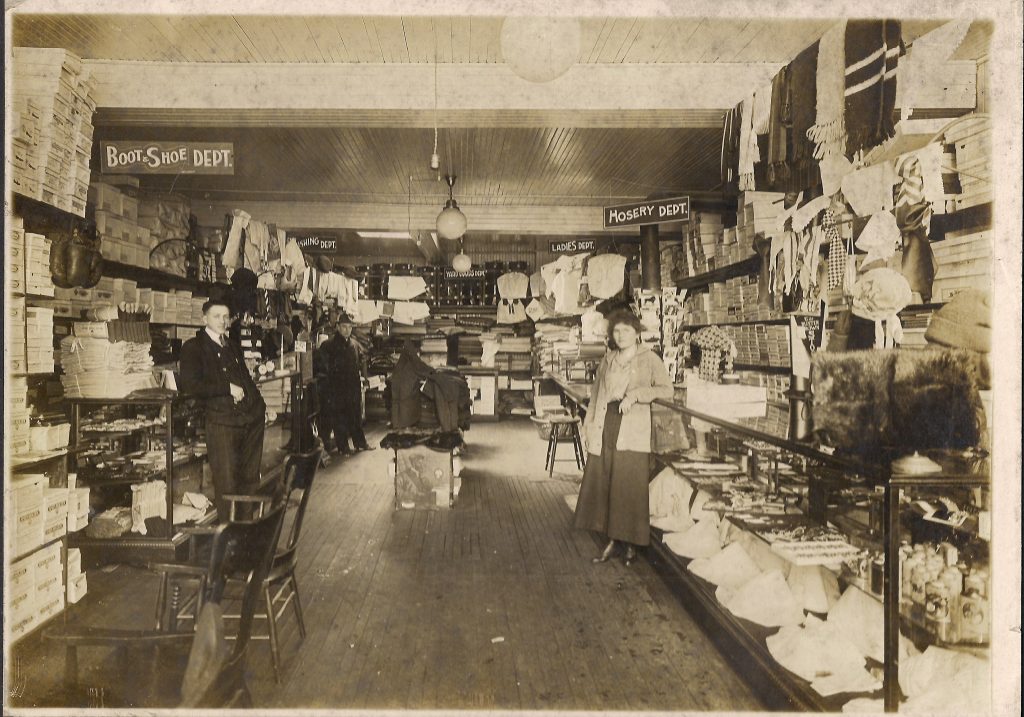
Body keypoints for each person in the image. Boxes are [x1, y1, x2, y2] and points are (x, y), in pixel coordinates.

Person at [572, 309, 674, 565]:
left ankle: (630, 545)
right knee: (606, 481)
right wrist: (588, 425)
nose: (621, 335)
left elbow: (666, 389)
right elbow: (597, 396)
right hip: (607, 425)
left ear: (637, 333)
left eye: (626, 330)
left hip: (633, 429)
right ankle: (613, 540)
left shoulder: (649, 359)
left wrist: (636, 394)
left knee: (628, 486)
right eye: (616, 331)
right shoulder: (608, 359)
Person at [179, 298, 267, 520]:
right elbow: (191, 386)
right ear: (204, 318)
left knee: (248, 480)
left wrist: (259, 406)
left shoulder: (231, 345)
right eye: (216, 316)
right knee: (227, 483)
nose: (222, 321)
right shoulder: (193, 347)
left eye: (226, 316)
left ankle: (245, 531)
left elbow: (246, 379)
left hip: (249, 421)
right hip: (222, 423)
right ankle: (230, 536)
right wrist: (226, 388)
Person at [323, 313, 374, 453]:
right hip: (337, 388)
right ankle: (343, 447)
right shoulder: (329, 345)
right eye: (344, 327)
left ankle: (360, 443)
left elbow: (362, 361)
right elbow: (324, 367)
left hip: (353, 386)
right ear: (338, 327)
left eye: (349, 327)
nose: (347, 330)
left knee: (355, 416)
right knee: (340, 418)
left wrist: (364, 378)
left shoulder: (355, 344)